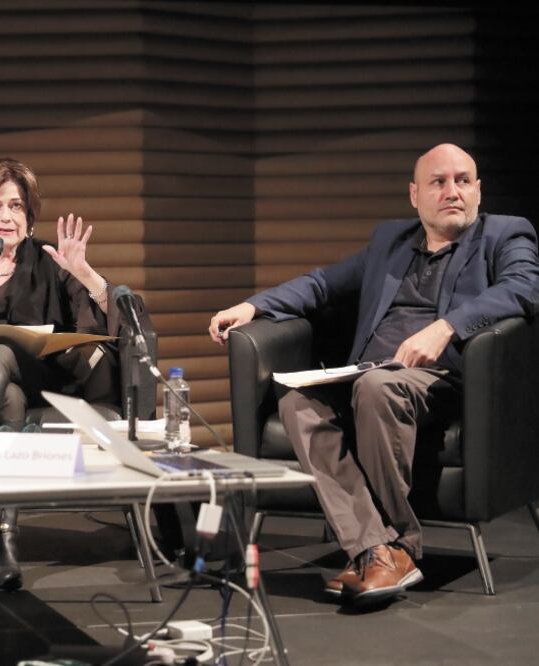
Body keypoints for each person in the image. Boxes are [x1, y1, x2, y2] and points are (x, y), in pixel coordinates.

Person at [209, 143, 539, 604]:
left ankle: (400, 544)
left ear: (478, 190)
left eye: (463, 181)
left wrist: (446, 327)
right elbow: (322, 284)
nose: (452, 191)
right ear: (415, 194)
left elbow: (524, 287)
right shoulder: (391, 242)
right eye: (438, 182)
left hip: (449, 377)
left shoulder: (504, 234)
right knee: (297, 400)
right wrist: (253, 306)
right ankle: (376, 550)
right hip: (372, 374)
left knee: (376, 386)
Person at [0, 157, 142, 590]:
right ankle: (2, 541)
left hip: (56, 380)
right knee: (6, 396)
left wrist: (84, 274)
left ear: (29, 215)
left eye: (16, 206)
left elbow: (110, 325)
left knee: (2, 347)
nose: (5, 216)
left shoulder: (52, 261)